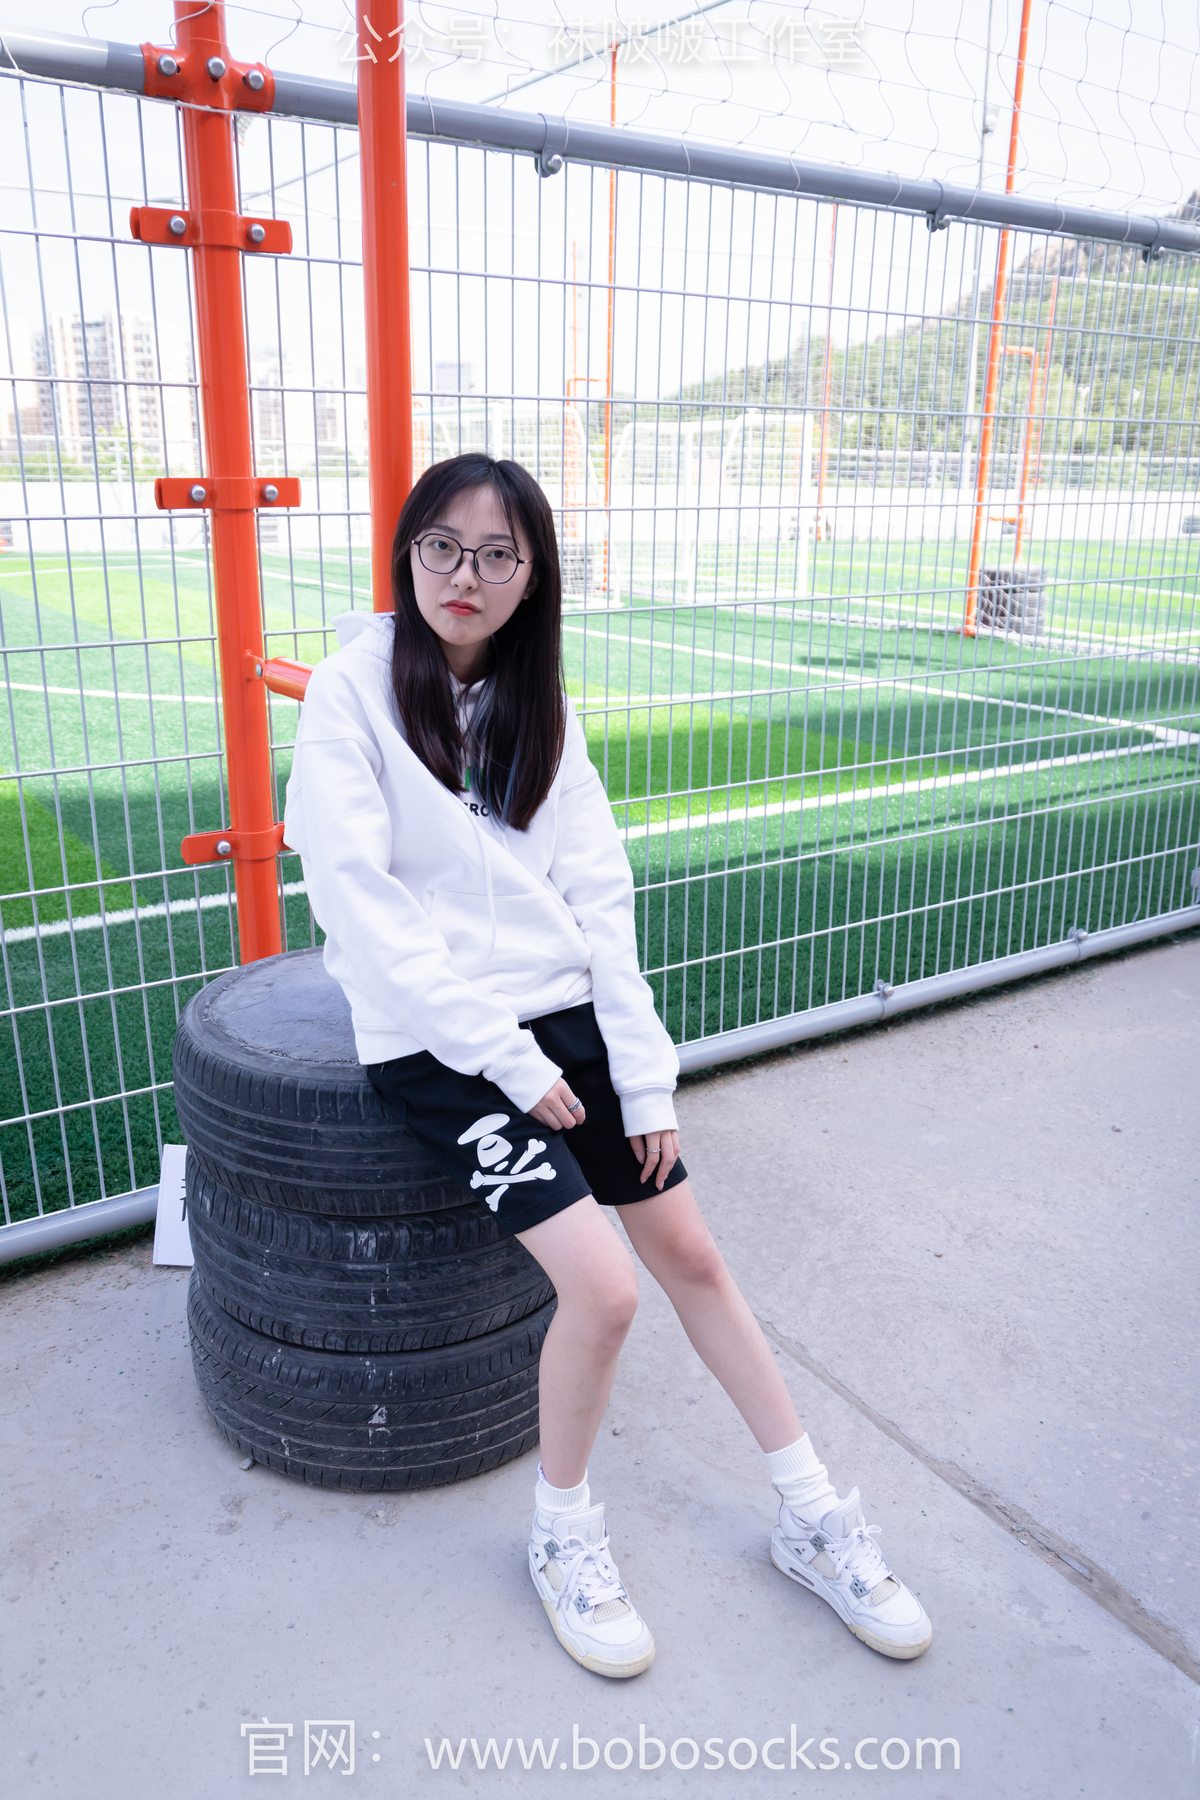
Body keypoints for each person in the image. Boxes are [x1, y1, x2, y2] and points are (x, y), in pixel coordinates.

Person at [281, 451, 932, 1678]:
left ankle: (812, 1514)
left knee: (691, 1254)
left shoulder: (542, 702)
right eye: (441, 546)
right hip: (439, 1044)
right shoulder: (352, 692)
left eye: (498, 555)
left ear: (534, 578)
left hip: (566, 1020)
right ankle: (562, 1532)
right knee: (608, 1290)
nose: (464, 575)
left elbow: (601, 899)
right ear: (408, 550)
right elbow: (362, 910)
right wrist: (503, 1059)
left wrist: (643, 1078)